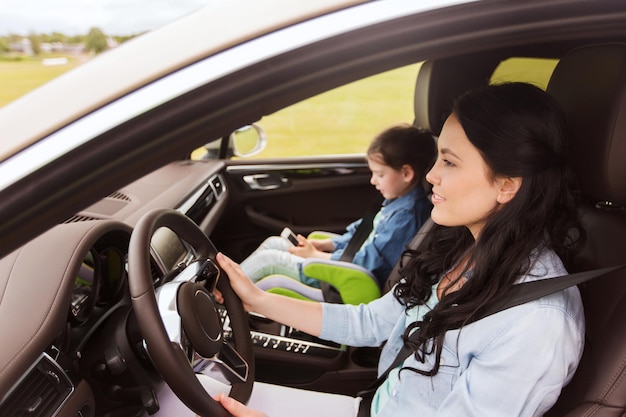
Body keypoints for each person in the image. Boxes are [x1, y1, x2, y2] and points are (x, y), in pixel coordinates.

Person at [209, 82, 586, 417]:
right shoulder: (465, 250)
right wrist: (258, 300)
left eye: (450, 162)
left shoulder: (534, 324)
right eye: (438, 156)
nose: (431, 175)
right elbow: (372, 322)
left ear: (506, 186)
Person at [239, 123, 436, 290]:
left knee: (268, 261)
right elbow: (360, 235)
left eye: (380, 174)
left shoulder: (406, 216)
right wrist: (328, 245)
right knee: (276, 243)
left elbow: (367, 263)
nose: (373, 181)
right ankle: (224, 290)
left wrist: (316, 256)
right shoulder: (397, 201)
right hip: (345, 266)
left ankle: (220, 296)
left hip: (347, 279)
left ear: (406, 173)